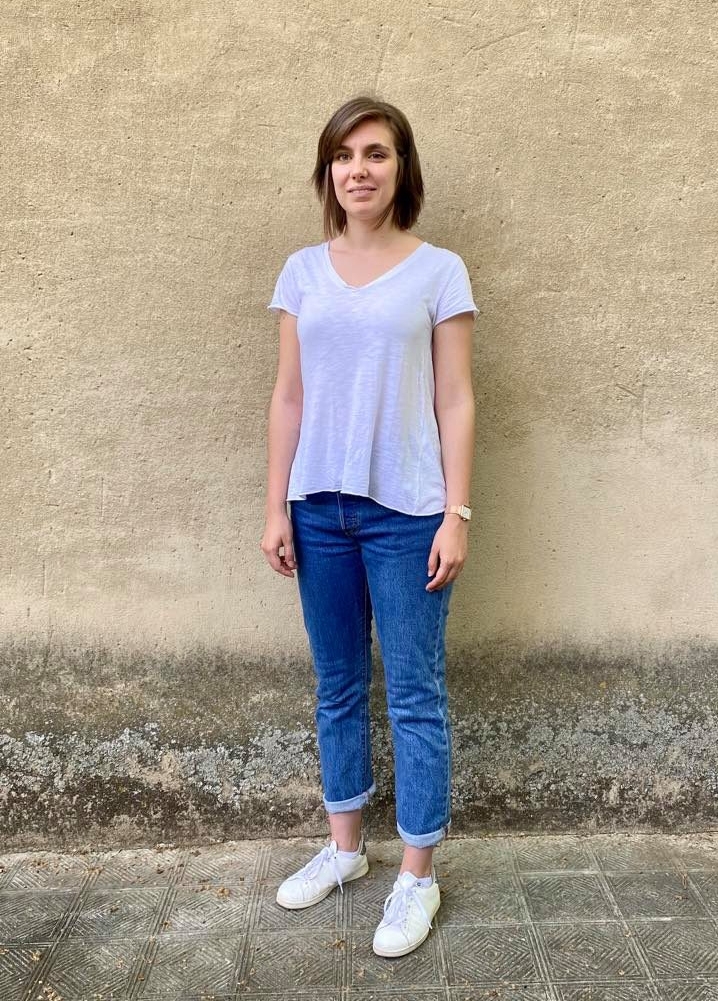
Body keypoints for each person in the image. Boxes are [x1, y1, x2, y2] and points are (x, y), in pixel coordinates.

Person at [261, 95, 477, 958]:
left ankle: (418, 875)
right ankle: (346, 850)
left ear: (401, 168)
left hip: (408, 512)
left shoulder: (439, 271)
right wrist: (276, 504)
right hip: (319, 510)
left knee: (416, 693)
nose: (360, 169)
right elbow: (288, 396)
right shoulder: (301, 272)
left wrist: (457, 512)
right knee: (338, 685)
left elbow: (456, 399)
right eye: (345, 155)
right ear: (329, 171)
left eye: (376, 153)